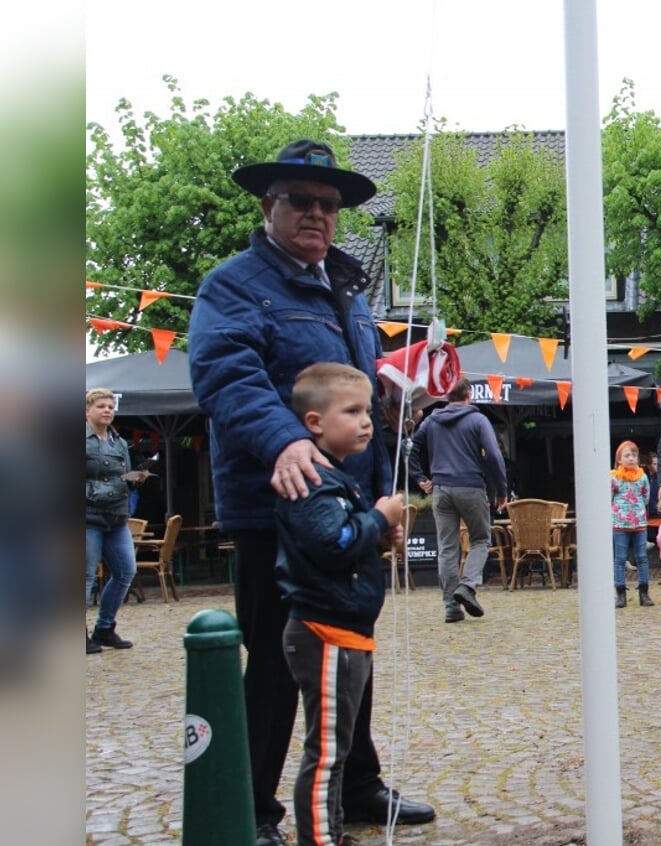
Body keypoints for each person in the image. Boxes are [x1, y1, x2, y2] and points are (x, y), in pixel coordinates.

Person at [188, 139, 434, 844]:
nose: (317, 214)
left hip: (352, 502)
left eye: (328, 205)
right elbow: (225, 375)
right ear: (269, 207)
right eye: (301, 201)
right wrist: (285, 439)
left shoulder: (347, 290)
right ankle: (254, 808)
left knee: (351, 641)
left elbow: (349, 392)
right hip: (279, 502)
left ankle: (356, 786)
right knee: (273, 655)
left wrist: (389, 416)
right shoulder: (231, 286)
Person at [274, 364, 406, 846]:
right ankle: (319, 840)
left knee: (339, 744)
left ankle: (330, 830)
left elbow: (345, 546)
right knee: (327, 751)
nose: (366, 421)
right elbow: (332, 542)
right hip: (324, 632)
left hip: (347, 631)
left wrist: (378, 538)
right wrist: (377, 517)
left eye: (367, 410)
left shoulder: (340, 478)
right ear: (314, 422)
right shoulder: (312, 481)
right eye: (352, 411)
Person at [410, 378, 508, 623]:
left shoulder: (432, 420)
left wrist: (420, 477)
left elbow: (410, 447)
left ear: (445, 396)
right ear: (469, 394)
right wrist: (501, 490)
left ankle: (451, 608)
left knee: (447, 548)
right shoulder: (478, 420)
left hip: (441, 489)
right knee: (481, 539)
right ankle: (468, 585)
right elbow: (494, 455)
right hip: (471, 486)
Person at [85, 388, 150, 653]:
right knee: (85, 576)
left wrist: (135, 479)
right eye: (101, 406)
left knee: (125, 571)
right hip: (86, 515)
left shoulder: (119, 442)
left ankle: (105, 628)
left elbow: (119, 478)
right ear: (87, 409)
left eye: (111, 406)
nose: (108, 410)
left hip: (116, 516)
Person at [611, 440, 654, 608]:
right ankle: (620, 594)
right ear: (619, 459)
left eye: (634, 455)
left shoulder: (642, 477)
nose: (631, 458)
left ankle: (644, 593)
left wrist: (638, 510)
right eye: (627, 455)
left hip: (639, 523)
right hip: (620, 523)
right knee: (620, 559)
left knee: (642, 557)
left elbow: (646, 497)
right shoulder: (614, 478)